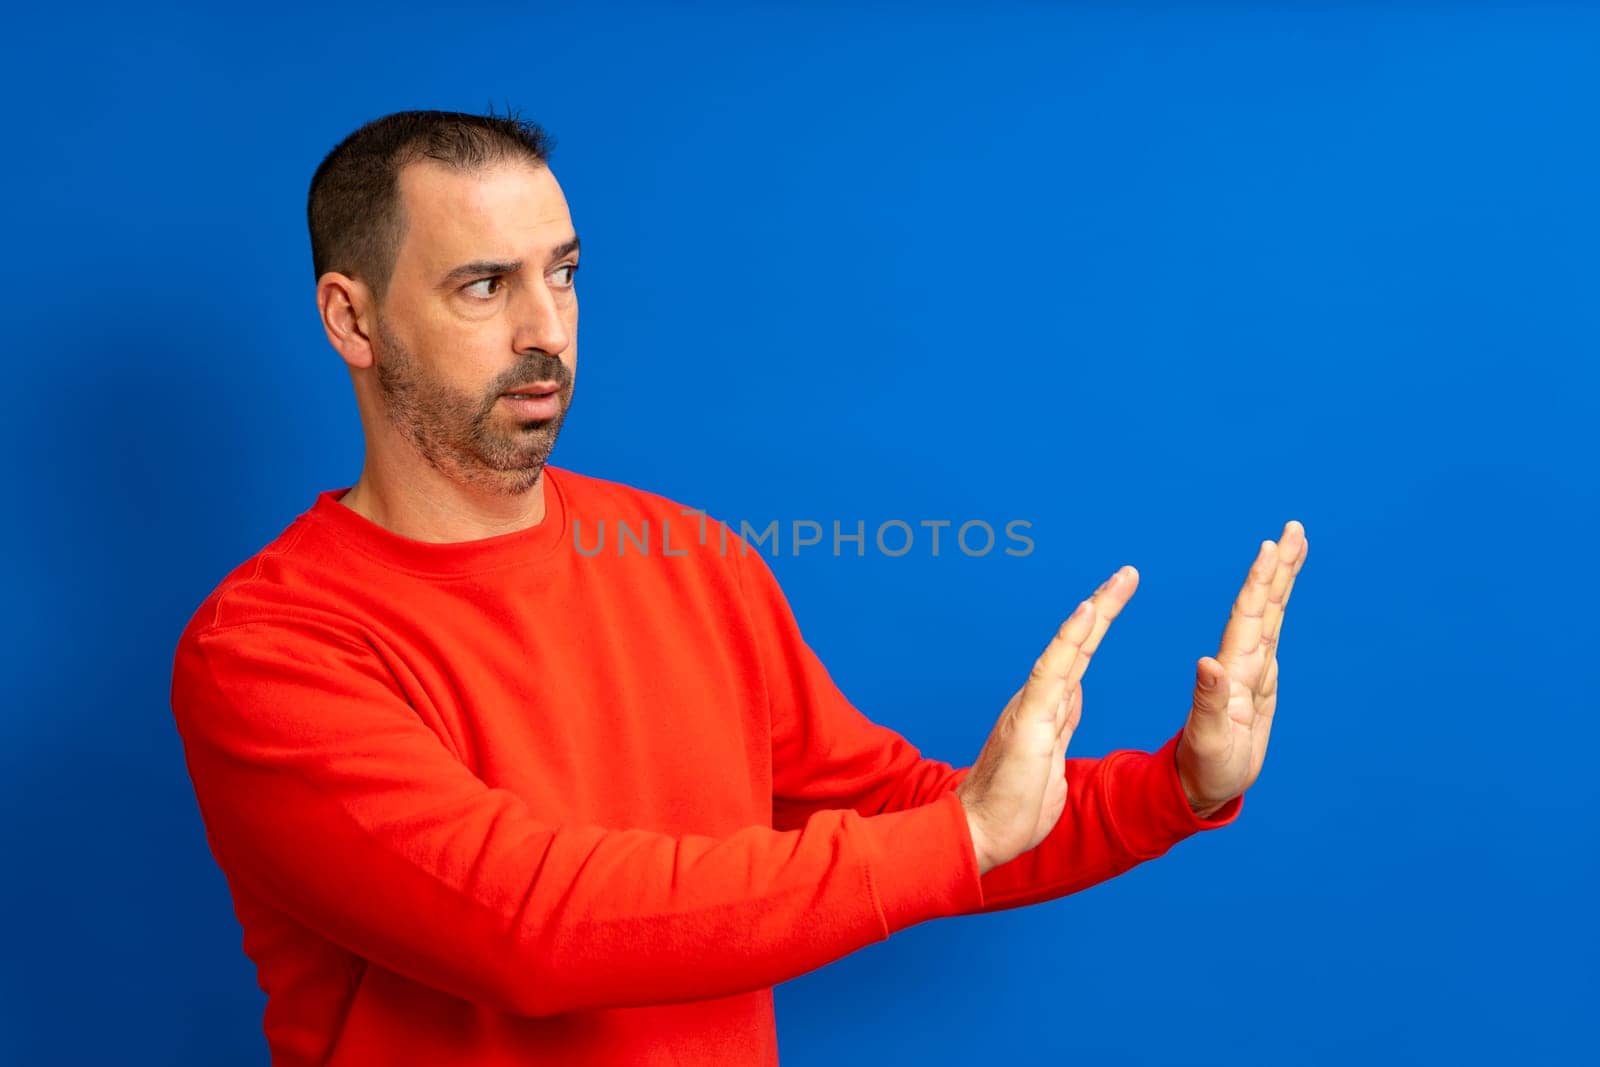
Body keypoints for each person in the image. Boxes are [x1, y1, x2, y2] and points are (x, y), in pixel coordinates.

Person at [169, 107, 1309, 1066]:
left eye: (563, 274)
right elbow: (525, 923)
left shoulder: (690, 556)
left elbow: (901, 819)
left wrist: (1176, 787)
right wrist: (956, 834)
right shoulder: (268, 650)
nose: (545, 331)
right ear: (350, 318)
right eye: (482, 285)